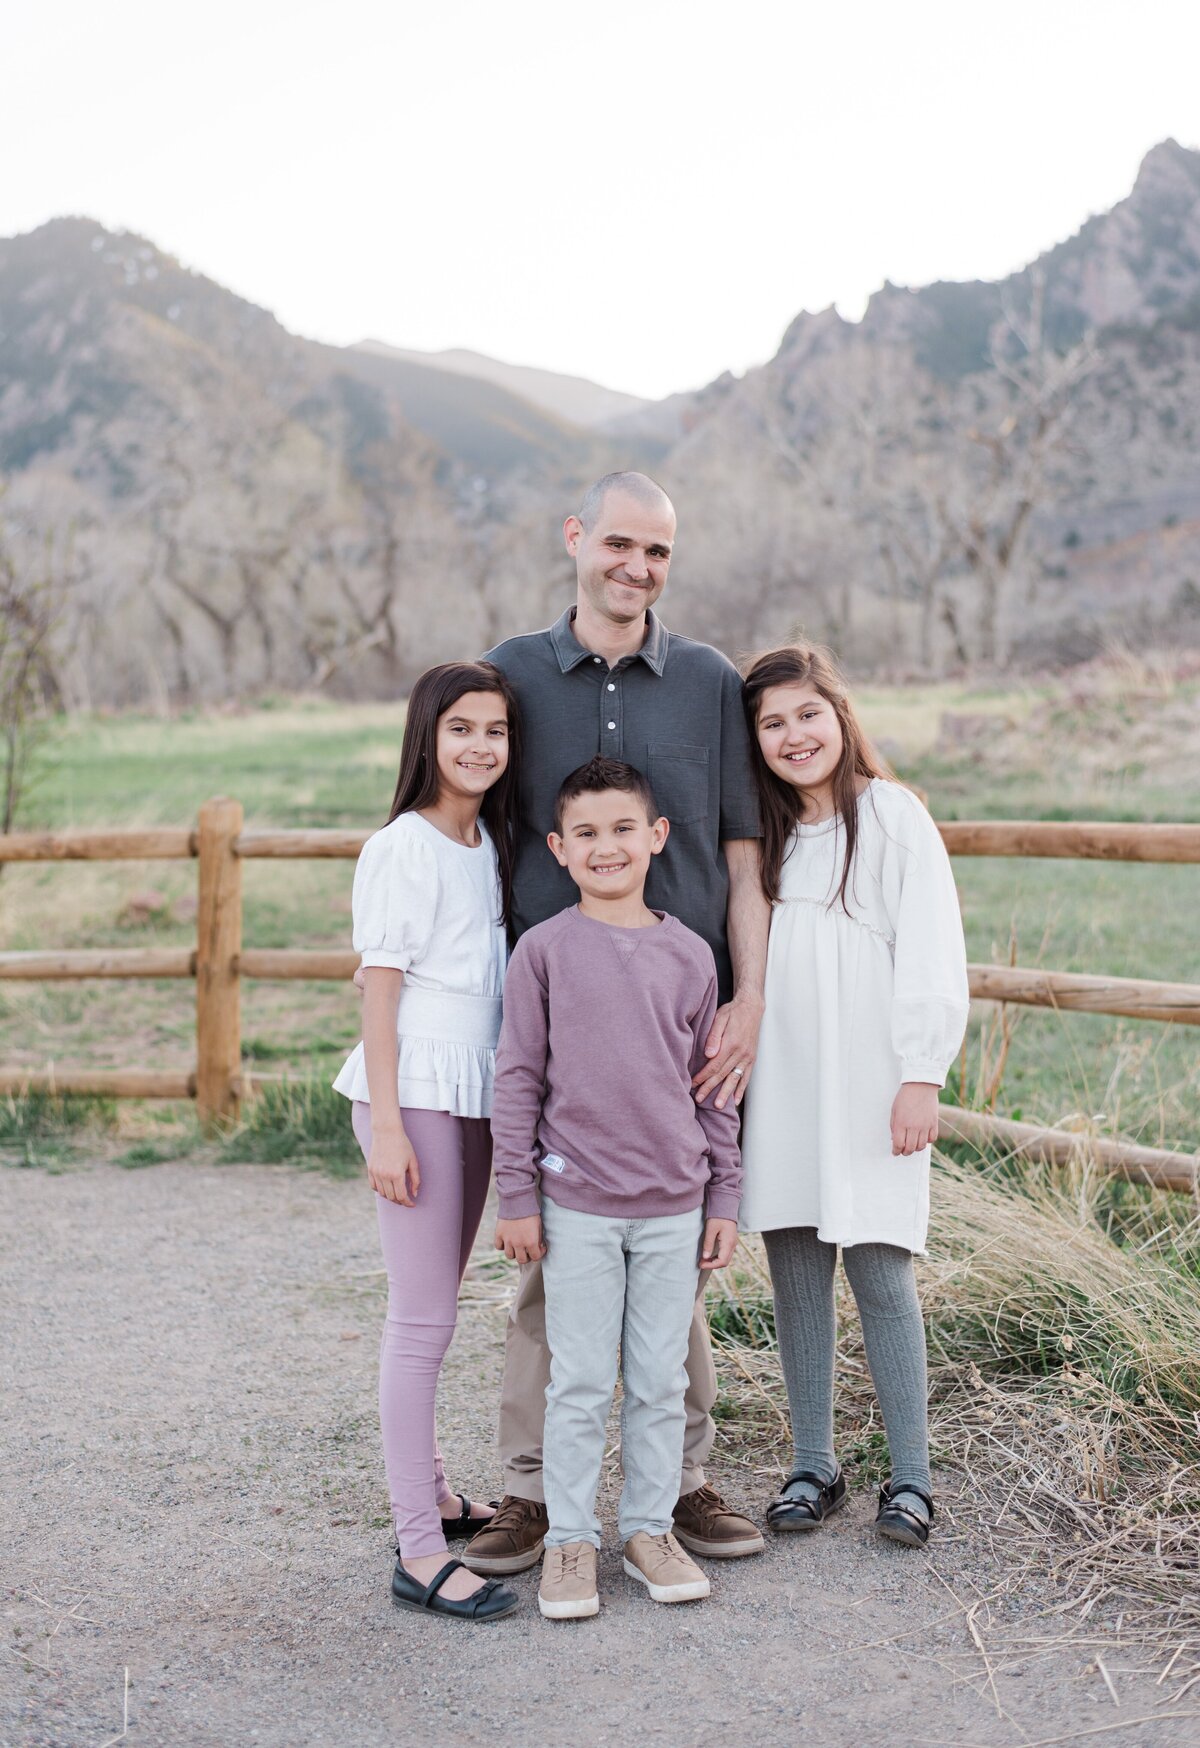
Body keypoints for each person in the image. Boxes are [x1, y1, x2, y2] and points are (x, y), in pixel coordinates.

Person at [462, 471, 771, 1577]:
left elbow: (741, 857)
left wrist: (750, 993)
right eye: (620, 544)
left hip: (684, 1013)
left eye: (659, 552)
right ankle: (531, 1493)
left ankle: (676, 1487)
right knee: (555, 1265)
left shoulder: (709, 680)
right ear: (576, 537)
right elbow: (475, 823)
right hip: (556, 1005)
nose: (638, 567)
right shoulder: (511, 672)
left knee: (674, 1250)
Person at [490, 757, 742, 1618]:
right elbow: (517, 1079)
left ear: (656, 838)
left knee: (660, 1379)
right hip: (577, 1208)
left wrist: (726, 1199)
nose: (607, 847)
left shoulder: (690, 955)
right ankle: (568, 1542)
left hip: (675, 1207)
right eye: (587, 834)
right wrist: (516, 1195)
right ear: (559, 849)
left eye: (623, 829)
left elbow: (713, 1091)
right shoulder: (545, 951)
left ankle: (645, 1530)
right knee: (581, 1381)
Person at [738, 643, 969, 1548]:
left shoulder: (892, 816)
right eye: (772, 723)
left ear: (840, 715)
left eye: (807, 714)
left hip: (873, 1074)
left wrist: (921, 1072)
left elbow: (932, 948)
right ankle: (814, 1463)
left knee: (880, 1268)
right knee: (795, 1267)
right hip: (788, 1073)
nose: (794, 735)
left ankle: (910, 1478)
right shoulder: (761, 833)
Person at [332, 661, 524, 1622]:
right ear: (427, 737)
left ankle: (441, 1497)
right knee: (421, 1323)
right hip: (413, 1093)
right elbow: (381, 990)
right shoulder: (402, 846)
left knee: (440, 1306)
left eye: (495, 729)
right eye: (461, 729)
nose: (481, 745)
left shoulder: (489, 840)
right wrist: (389, 1125)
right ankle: (418, 1548)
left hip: (476, 1089)